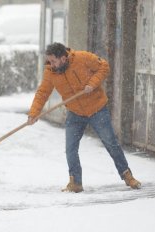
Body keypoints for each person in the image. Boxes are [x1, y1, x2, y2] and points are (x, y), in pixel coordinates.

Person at [27, 42, 141, 193]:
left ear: (63, 57)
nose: (52, 64)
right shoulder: (51, 72)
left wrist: (92, 84)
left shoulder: (82, 58)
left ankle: (127, 175)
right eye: (50, 61)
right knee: (70, 149)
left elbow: (104, 66)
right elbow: (42, 92)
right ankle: (75, 182)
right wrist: (34, 114)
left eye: (54, 61)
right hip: (75, 113)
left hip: (97, 109)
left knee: (111, 143)